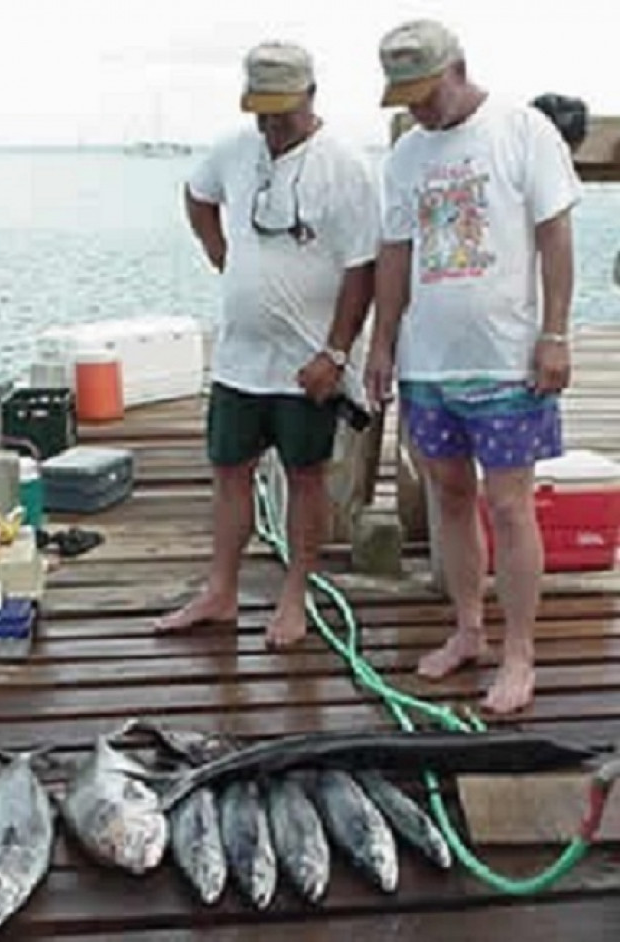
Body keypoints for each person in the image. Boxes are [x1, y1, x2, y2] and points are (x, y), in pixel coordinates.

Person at [364, 19, 582, 714]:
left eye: (426, 92)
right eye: (407, 96)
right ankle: (468, 629)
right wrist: (380, 343)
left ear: (458, 69)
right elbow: (395, 252)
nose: (418, 108)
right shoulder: (405, 154)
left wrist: (555, 333)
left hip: (507, 361)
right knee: (449, 495)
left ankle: (520, 656)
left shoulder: (523, 130)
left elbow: (555, 235)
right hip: (429, 363)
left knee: (510, 505)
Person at [154, 41, 378, 648]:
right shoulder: (234, 151)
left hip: (307, 362)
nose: (273, 123)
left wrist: (336, 353)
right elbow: (197, 195)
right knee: (228, 469)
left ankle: (296, 593)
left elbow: (363, 269)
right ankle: (220, 590)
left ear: (311, 95)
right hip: (239, 359)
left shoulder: (346, 166)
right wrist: (217, 251)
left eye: (283, 109)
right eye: (262, 111)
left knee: (307, 476)